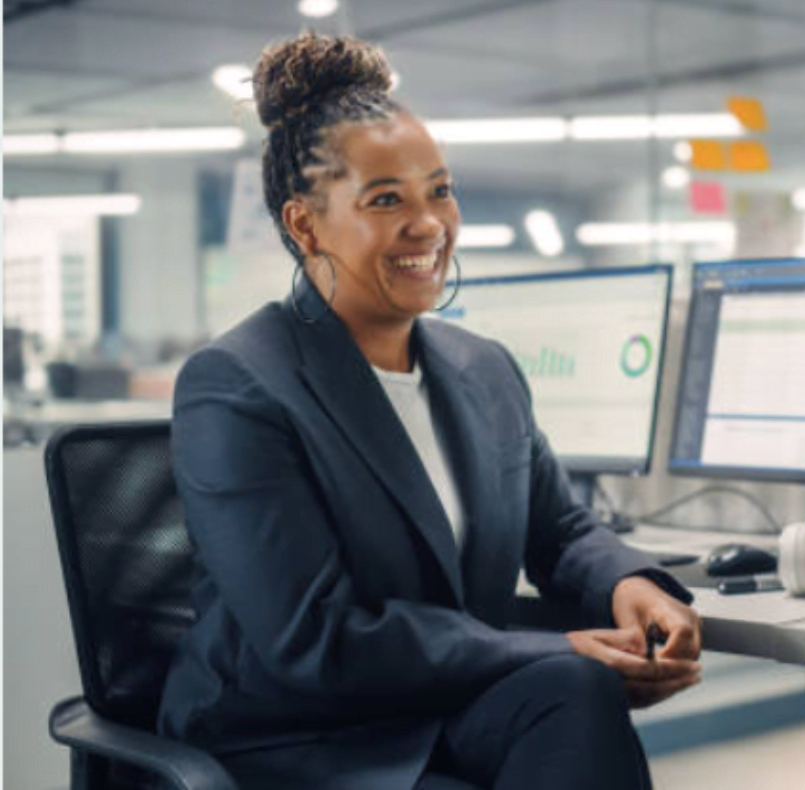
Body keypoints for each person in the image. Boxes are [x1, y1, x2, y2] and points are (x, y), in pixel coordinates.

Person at [157, 32, 701, 790]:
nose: (429, 226)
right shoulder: (238, 385)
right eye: (387, 200)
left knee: (575, 694)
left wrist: (626, 584)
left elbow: (559, 529)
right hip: (297, 737)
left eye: (439, 191)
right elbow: (314, 641)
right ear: (305, 225)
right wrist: (554, 648)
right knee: (570, 682)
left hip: (435, 705)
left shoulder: (482, 367)